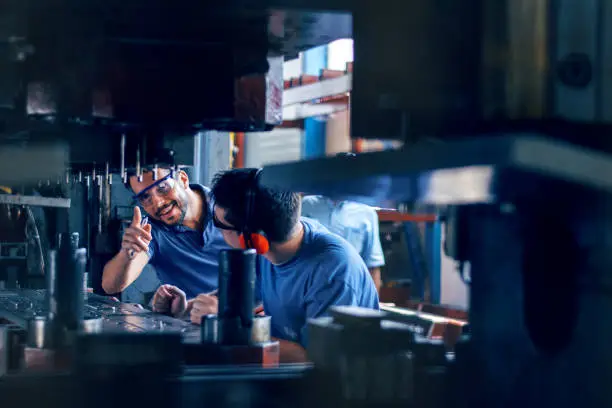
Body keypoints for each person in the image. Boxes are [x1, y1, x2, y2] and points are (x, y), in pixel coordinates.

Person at [157, 167, 379, 362]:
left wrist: (230, 327)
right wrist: (185, 308)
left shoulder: (331, 270)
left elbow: (313, 358)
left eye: (218, 223)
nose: (215, 229)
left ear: (251, 239)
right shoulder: (278, 242)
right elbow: (244, 296)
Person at [101, 167, 230, 301]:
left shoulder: (228, 204)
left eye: (162, 187)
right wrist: (127, 253)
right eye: (145, 197)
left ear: (183, 179)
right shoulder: (152, 232)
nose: (158, 203)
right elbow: (111, 286)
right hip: (193, 319)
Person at [301, 195, 385, 292]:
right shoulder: (306, 204)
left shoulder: (367, 212)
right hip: (309, 288)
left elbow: (372, 264)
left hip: (350, 290)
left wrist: (373, 305)